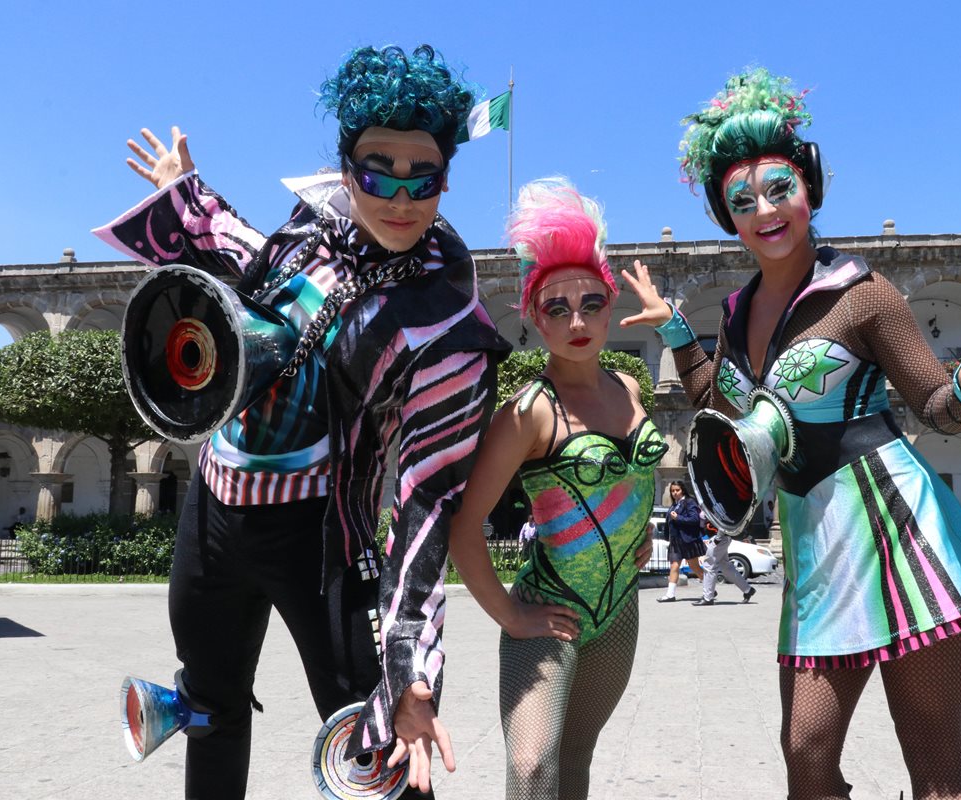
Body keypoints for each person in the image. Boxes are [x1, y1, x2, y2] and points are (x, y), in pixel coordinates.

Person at [94, 44, 508, 799]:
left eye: (425, 177)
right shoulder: (308, 236)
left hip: (322, 537)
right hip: (213, 512)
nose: (401, 198)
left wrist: (414, 666)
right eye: (379, 170)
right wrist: (185, 193)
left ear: (447, 180)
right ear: (348, 167)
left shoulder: (446, 326)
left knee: (378, 744)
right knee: (209, 709)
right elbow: (246, 261)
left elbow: (427, 504)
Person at [622, 68, 961, 800]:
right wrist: (675, 330)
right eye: (743, 200)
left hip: (900, 531)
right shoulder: (736, 312)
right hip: (818, 545)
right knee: (806, 751)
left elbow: (935, 405)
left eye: (779, 188)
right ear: (730, 219)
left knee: (934, 754)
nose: (765, 210)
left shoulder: (864, 294)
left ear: (810, 186)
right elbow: (717, 404)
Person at [449, 177, 666, 799]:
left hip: (619, 611)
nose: (577, 320)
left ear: (609, 303)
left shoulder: (628, 387)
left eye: (592, 303)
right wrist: (510, 614)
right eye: (556, 307)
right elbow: (465, 530)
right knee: (531, 769)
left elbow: (635, 478)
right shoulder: (527, 413)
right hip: (550, 612)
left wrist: (637, 540)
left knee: (575, 761)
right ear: (533, 317)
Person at [657, 480, 706, 602]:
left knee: (694, 566)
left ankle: (709, 589)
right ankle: (670, 594)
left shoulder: (689, 502)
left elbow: (694, 519)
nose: (674, 493)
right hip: (675, 541)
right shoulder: (674, 505)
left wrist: (678, 517)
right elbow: (669, 522)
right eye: (672, 490)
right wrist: (666, 536)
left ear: (682, 490)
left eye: (677, 490)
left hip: (688, 540)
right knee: (674, 566)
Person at [695, 521, 756, 606]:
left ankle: (708, 597)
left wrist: (718, 537)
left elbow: (722, 519)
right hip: (722, 537)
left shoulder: (715, 507)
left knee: (709, 566)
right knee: (726, 567)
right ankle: (748, 590)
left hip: (719, 537)